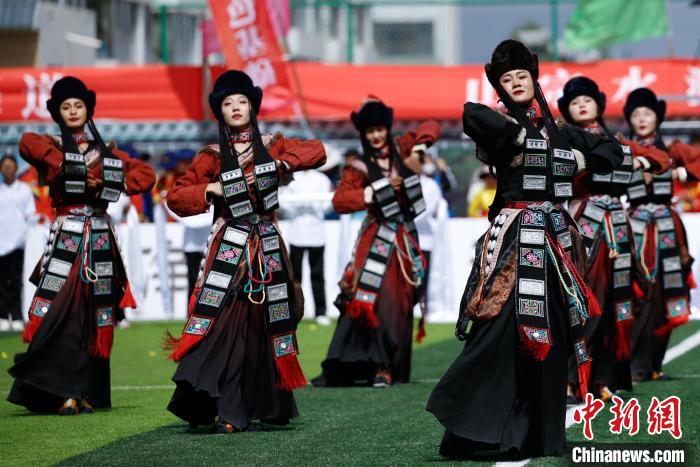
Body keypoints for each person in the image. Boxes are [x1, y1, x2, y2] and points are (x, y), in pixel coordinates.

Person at [426, 40, 623, 459]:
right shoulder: (499, 124)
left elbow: (612, 150)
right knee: (503, 328)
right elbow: (470, 113)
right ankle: (481, 430)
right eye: (507, 79)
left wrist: (581, 161)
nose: (516, 82)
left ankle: (542, 434)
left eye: (522, 76)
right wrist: (518, 135)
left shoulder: (560, 131)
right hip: (516, 242)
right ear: (500, 87)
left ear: (535, 80)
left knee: (554, 330)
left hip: (555, 243)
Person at [164, 70, 326, 434]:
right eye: (228, 103)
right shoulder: (211, 155)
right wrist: (210, 190)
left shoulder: (273, 144)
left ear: (253, 107)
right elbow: (175, 196)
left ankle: (267, 405)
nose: (236, 107)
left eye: (242, 101)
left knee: (265, 326)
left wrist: (282, 164)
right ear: (219, 111)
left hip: (267, 245)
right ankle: (227, 408)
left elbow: (317, 150)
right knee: (225, 324)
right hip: (229, 247)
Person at [7, 76, 155, 415]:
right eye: (66, 107)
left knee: (94, 315)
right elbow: (26, 143)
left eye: (79, 106)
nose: (73, 111)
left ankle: (86, 392)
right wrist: (66, 165)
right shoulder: (51, 145)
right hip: (67, 238)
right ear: (58, 113)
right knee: (63, 311)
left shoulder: (107, 153)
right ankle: (61, 390)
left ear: (88, 111)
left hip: (100, 239)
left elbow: (146, 175)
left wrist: (105, 182)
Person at [312, 96, 440, 387]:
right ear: (363, 134)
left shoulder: (403, 148)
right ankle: (377, 366)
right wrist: (376, 190)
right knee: (370, 299)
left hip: (404, 239)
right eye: (370, 131)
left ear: (387, 128)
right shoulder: (357, 166)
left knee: (401, 302)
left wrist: (419, 149)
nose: (376, 136)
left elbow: (431, 126)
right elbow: (340, 201)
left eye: (380, 129)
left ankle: (394, 366)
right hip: (376, 237)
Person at [556, 77, 670, 403]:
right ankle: (572, 378)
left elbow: (662, 159)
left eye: (587, 99)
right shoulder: (564, 138)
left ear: (599, 105)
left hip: (617, 227)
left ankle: (603, 379)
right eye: (575, 101)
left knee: (615, 304)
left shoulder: (616, 140)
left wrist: (641, 161)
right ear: (567, 110)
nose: (582, 105)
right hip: (584, 224)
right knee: (583, 300)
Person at [624, 88, 694, 382]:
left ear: (657, 118)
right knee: (636, 293)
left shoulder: (672, 149)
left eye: (648, 113)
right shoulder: (622, 148)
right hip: (635, 230)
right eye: (636, 114)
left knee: (667, 292)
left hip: (667, 229)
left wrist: (682, 173)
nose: (642, 119)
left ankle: (654, 362)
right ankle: (633, 363)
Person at [279, 168, 334, 326]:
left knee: (318, 274)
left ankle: (321, 312)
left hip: (317, 231)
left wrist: (316, 207)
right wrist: (296, 208)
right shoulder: (292, 178)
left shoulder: (322, 178)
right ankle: (293, 311)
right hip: (297, 230)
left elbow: (328, 203)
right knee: (295, 276)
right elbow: (283, 202)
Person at [0, 155, 36, 332]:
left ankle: (16, 316)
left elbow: (31, 215)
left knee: (15, 280)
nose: (7, 169)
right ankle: (2, 316)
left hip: (17, 243)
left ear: (16, 168)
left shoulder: (24, 190)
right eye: (4, 166)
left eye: (10, 166)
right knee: (1, 282)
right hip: (0, 242)